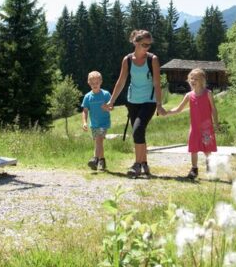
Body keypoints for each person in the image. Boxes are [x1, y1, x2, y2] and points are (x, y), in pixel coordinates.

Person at [104, 29, 165, 177]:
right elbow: (121, 81)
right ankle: (144, 163)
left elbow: (157, 83)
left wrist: (159, 104)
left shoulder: (153, 59)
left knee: (137, 130)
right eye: (144, 44)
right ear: (135, 43)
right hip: (132, 101)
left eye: (149, 45)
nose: (147, 48)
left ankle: (137, 164)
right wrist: (111, 101)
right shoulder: (127, 60)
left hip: (148, 101)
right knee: (139, 133)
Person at [163, 68, 218, 179]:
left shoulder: (208, 93)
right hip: (194, 128)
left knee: (207, 149)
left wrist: (216, 123)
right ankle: (194, 169)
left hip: (206, 127)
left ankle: (210, 167)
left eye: (196, 78)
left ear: (202, 80)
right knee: (193, 149)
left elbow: (214, 109)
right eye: (191, 78)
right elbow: (178, 109)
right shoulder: (189, 95)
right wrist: (166, 112)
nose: (193, 80)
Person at [82, 71, 111, 171]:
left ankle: (94, 159)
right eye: (92, 83)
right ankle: (102, 161)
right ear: (89, 83)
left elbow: (111, 108)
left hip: (104, 123)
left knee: (99, 139)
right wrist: (85, 122)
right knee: (99, 143)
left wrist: (107, 107)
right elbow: (85, 111)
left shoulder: (106, 94)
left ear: (101, 82)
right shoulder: (87, 97)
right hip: (94, 124)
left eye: (97, 83)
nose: (95, 85)